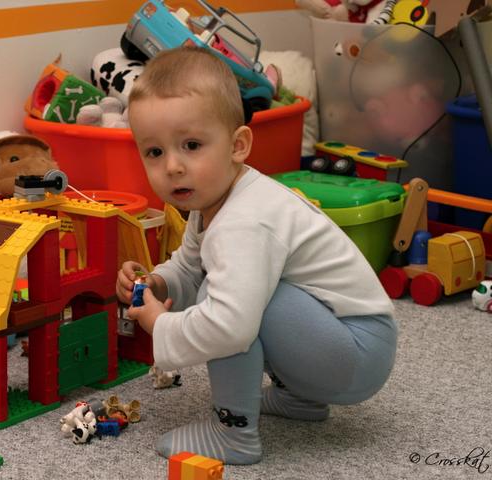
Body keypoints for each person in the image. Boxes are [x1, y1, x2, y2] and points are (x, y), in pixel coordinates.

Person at [116, 46, 397, 465]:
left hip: (357, 351)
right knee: (230, 286)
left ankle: (233, 434)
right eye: (155, 152)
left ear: (238, 145)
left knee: (226, 299)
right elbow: (189, 266)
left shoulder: (244, 222)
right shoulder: (214, 201)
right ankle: (300, 398)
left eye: (191, 145)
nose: (172, 166)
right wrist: (158, 283)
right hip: (341, 340)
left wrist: (160, 323)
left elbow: (230, 327)